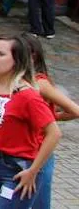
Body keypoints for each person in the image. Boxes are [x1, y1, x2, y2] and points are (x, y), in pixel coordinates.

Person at [0, 34, 61, 209]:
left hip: (18, 168)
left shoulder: (27, 95)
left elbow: (54, 133)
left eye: (1, 54)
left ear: (16, 60)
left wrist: (33, 171)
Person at [21, 34, 79, 209]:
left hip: (39, 153)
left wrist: (50, 120)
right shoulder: (18, 80)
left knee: (39, 204)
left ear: (32, 56)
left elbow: (74, 110)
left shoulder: (40, 83)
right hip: (19, 152)